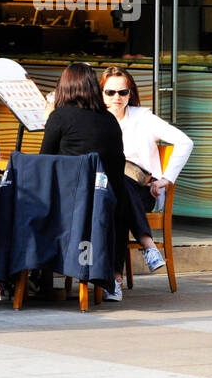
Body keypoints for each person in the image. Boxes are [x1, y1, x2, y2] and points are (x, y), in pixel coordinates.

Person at [39, 62, 131, 301]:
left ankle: (28, 279)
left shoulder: (59, 117)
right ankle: (112, 280)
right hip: (105, 204)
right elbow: (117, 162)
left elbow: (45, 162)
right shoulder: (110, 120)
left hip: (68, 206)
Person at [100, 65, 193, 274]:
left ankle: (114, 279)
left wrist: (166, 179)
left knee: (120, 193)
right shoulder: (97, 120)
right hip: (108, 191)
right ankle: (147, 247)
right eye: (110, 92)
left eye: (123, 92)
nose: (117, 97)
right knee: (119, 197)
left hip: (144, 190)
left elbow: (185, 142)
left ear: (130, 93)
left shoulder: (143, 119)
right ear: (102, 94)